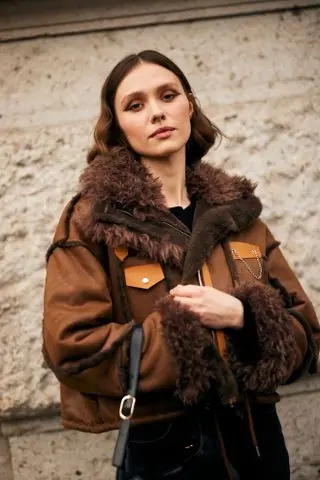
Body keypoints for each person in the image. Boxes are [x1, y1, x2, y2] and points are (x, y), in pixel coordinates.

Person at [42, 50, 320, 480]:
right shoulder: (92, 220)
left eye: (167, 95)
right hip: (164, 454)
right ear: (118, 127)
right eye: (135, 105)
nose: (156, 112)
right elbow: (70, 346)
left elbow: (308, 335)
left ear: (188, 104)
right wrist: (187, 332)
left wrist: (244, 317)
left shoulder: (239, 215)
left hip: (258, 446)